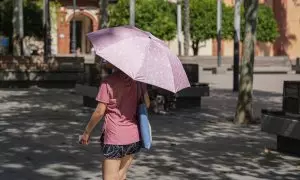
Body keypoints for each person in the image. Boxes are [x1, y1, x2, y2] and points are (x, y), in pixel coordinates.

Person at [80, 62, 150, 180]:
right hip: (133, 136)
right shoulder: (139, 81)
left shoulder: (108, 82)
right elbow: (147, 104)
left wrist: (87, 132)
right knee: (121, 175)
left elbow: (99, 112)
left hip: (114, 137)